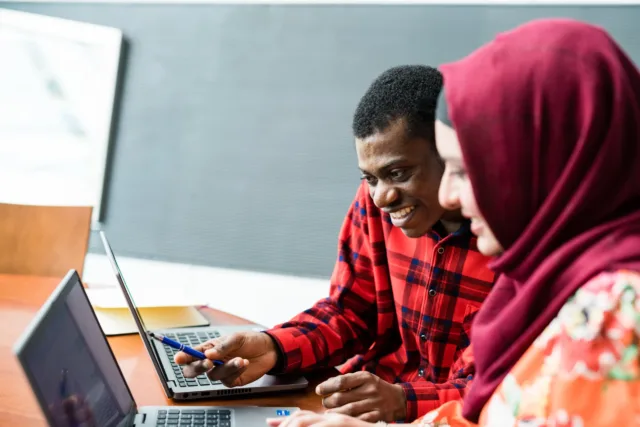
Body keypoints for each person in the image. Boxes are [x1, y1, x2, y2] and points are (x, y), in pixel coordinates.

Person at [264, 17, 640, 427]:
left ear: (541, 160)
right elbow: (351, 309)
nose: (449, 195)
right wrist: (271, 347)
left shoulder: (616, 306)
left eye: (467, 169)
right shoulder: (547, 262)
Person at [175, 65, 496, 423]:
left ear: (449, 154)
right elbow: (350, 310)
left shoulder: (507, 239)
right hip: (354, 407)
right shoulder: (375, 201)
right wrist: (272, 347)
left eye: (398, 173)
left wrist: (402, 402)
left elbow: (499, 394)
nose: (381, 197)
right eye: (369, 178)